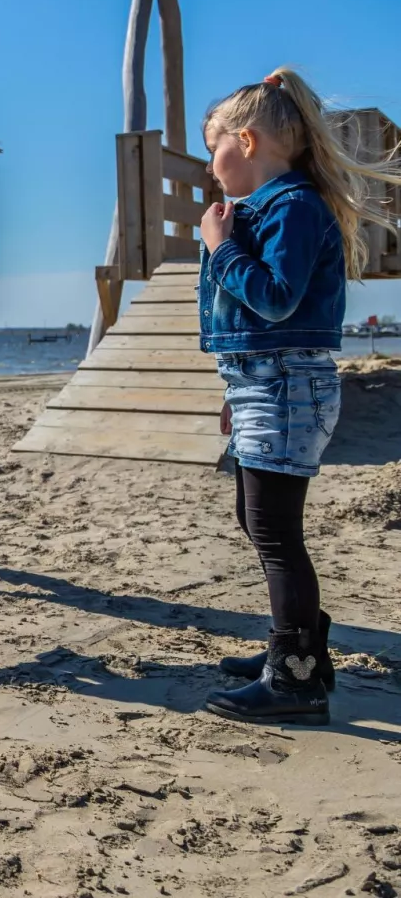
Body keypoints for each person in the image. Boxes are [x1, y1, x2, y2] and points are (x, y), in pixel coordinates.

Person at [197, 68, 401, 726]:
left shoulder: (294, 207)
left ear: (248, 142)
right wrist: (235, 387)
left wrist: (222, 249)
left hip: (287, 386)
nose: (209, 162)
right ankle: (302, 645)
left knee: (276, 532)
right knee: (255, 519)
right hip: (264, 384)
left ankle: (295, 677)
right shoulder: (267, 206)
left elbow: (277, 298)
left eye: (214, 144)